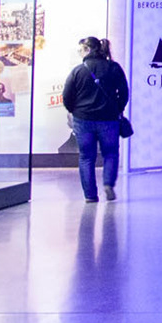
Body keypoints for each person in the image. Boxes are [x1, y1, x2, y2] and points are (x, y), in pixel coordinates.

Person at [61, 37, 128, 203]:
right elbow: (124, 92)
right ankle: (108, 184)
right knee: (110, 153)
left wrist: (74, 110)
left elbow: (67, 96)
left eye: (80, 50)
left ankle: (90, 195)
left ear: (88, 50)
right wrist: (118, 108)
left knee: (86, 157)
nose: (79, 53)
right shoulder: (113, 67)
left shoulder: (78, 71)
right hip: (109, 119)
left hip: (83, 119)